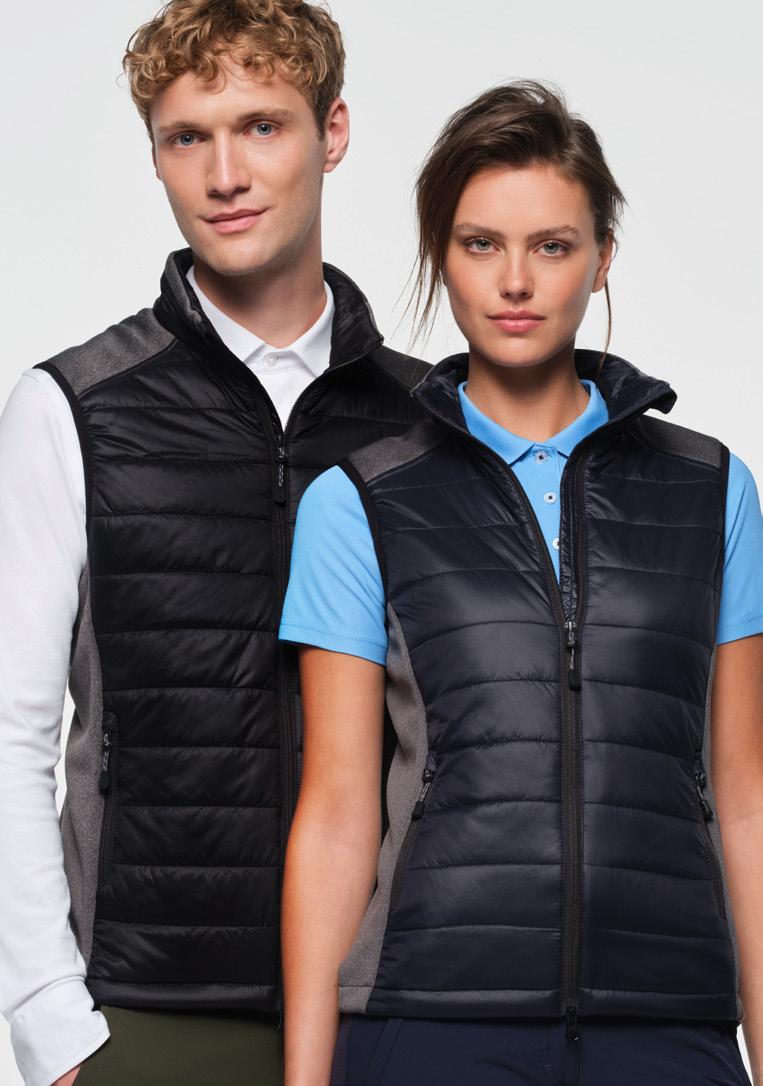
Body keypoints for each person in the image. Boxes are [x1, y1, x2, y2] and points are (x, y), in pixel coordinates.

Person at [278, 81, 763, 1086]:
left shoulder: (710, 488)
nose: (513, 281)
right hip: (430, 1022)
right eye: (478, 244)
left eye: (550, 245)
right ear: (440, 255)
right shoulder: (358, 500)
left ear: (601, 258)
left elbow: (744, 796)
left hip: (666, 1023)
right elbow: (335, 812)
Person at [0, 2, 429, 1085]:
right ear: (155, 157)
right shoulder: (73, 409)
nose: (225, 174)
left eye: (262, 126)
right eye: (187, 137)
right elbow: (9, 731)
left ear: (333, 132)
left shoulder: (431, 423)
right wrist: (52, 1025)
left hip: (392, 1006)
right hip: (148, 1011)